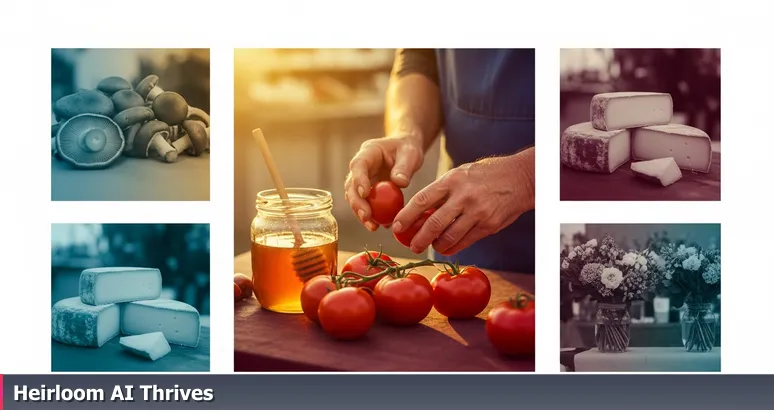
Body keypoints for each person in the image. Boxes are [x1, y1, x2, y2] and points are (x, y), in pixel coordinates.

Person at [345, 49, 535, 274]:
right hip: (457, 244)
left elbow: (586, 125)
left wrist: (527, 178)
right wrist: (407, 132)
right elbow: (419, 57)